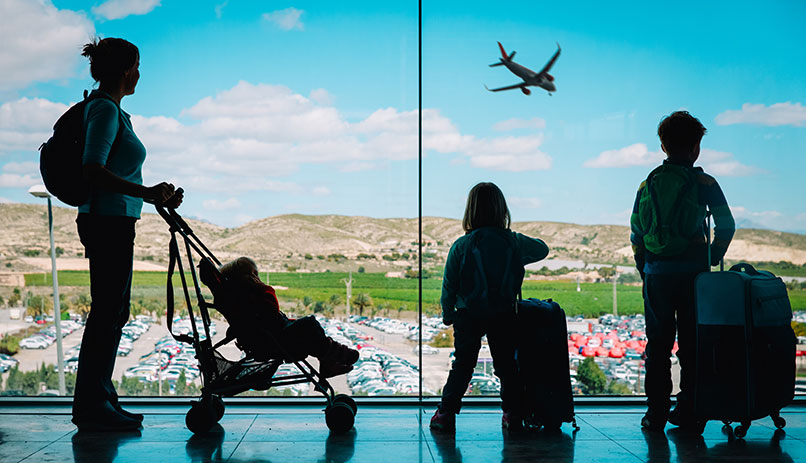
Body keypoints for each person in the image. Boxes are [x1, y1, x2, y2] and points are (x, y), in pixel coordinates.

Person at [72, 37, 183, 432]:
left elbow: (111, 170)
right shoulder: (103, 109)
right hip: (106, 222)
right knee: (107, 313)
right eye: (136, 66)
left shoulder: (116, 112)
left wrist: (154, 195)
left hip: (116, 220)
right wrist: (146, 192)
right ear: (124, 70)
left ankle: (101, 398)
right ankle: (91, 406)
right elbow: (92, 168)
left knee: (115, 313)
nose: (139, 73)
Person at [630, 111, 735, 432]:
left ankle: (655, 413)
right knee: (692, 344)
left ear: (663, 146)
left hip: (656, 274)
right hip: (694, 276)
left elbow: (636, 233)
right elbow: (727, 225)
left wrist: (645, 270)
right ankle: (690, 410)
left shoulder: (647, 184)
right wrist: (711, 257)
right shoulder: (705, 182)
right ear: (696, 147)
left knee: (657, 346)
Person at [430, 182, 549, 432]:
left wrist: (448, 314)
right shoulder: (512, 242)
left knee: (463, 365)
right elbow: (542, 249)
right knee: (506, 366)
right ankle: (512, 413)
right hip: (503, 314)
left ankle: (446, 414)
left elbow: (449, 284)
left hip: (467, 314)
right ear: (502, 211)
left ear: (469, 212)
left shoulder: (461, 245)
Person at [219, 257, 359, 377]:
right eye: (253, 275)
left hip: (271, 339)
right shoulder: (250, 298)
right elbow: (271, 311)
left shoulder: (238, 300)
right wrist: (265, 289)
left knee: (310, 328)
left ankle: (329, 360)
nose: (257, 278)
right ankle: (336, 355)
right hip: (273, 342)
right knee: (309, 324)